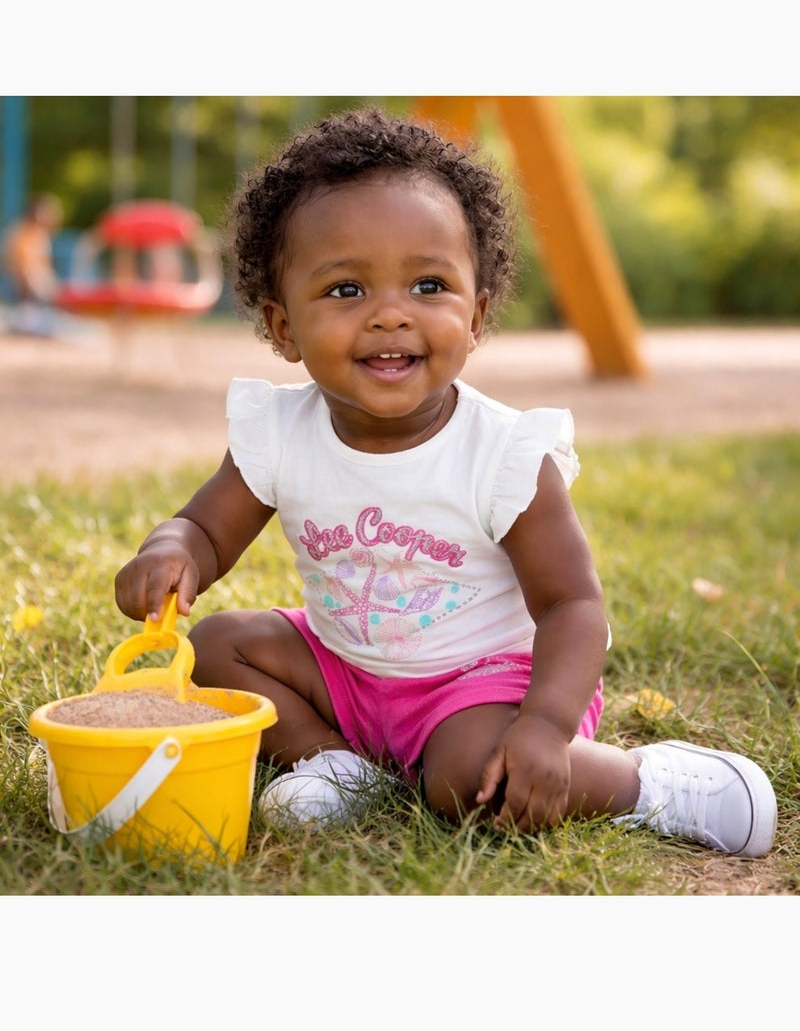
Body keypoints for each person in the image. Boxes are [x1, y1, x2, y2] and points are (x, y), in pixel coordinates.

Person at [114, 108, 777, 856]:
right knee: (217, 646)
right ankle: (337, 764)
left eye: (428, 285)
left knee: (462, 778)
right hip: (346, 670)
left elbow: (573, 605)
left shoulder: (503, 454)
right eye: (345, 291)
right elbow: (206, 528)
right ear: (283, 326)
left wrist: (545, 727)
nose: (390, 316)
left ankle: (645, 782)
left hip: (486, 685)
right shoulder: (278, 433)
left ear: (478, 313)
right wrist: (171, 550)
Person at [1, 193, 63, 335]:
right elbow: (22, 265)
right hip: (20, 286)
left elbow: (42, 266)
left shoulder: (40, 235)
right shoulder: (21, 232)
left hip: (33, 286)